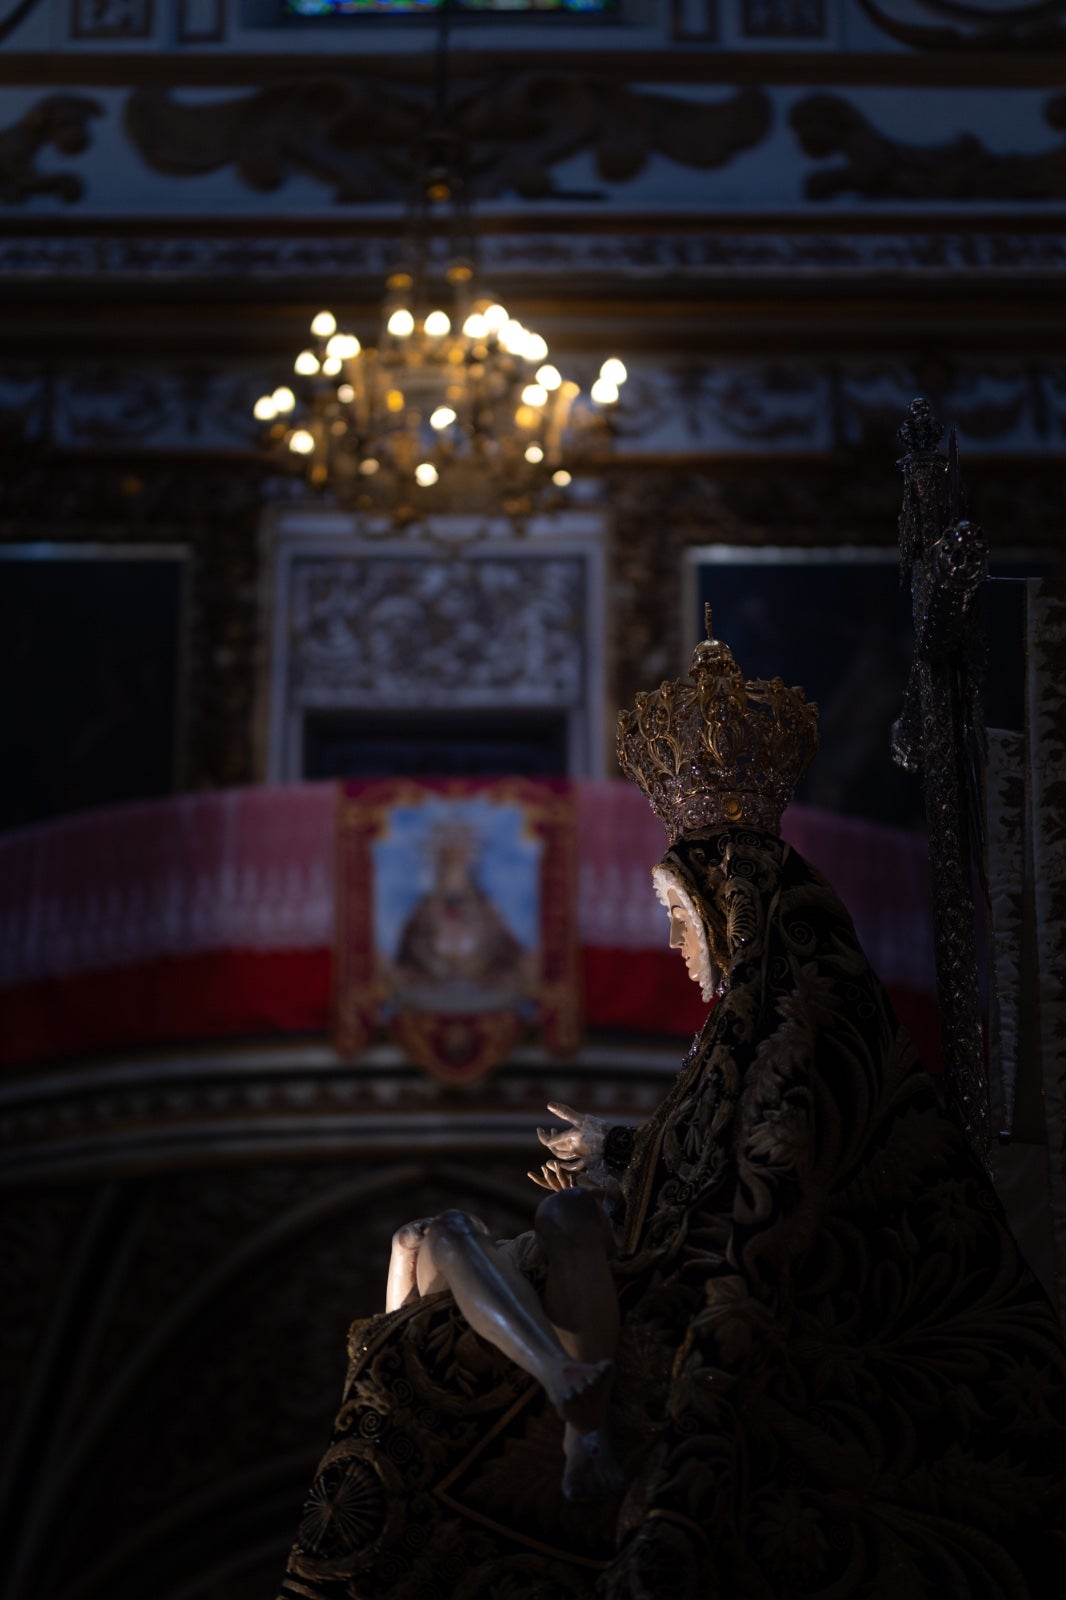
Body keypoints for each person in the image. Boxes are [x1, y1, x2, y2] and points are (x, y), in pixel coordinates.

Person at [280, 615, 1066, 1600]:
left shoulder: (797, 1017)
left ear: (726, 914)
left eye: (675, 917)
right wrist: (612, 1148)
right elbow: (709, 1146)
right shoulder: (744, 1031)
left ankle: (544, 1397)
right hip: (655, 1258)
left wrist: (617, 1167)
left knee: (420, 1337)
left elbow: (764, 1166)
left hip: (716, 1284)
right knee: (413, 1279)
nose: (669, 944)